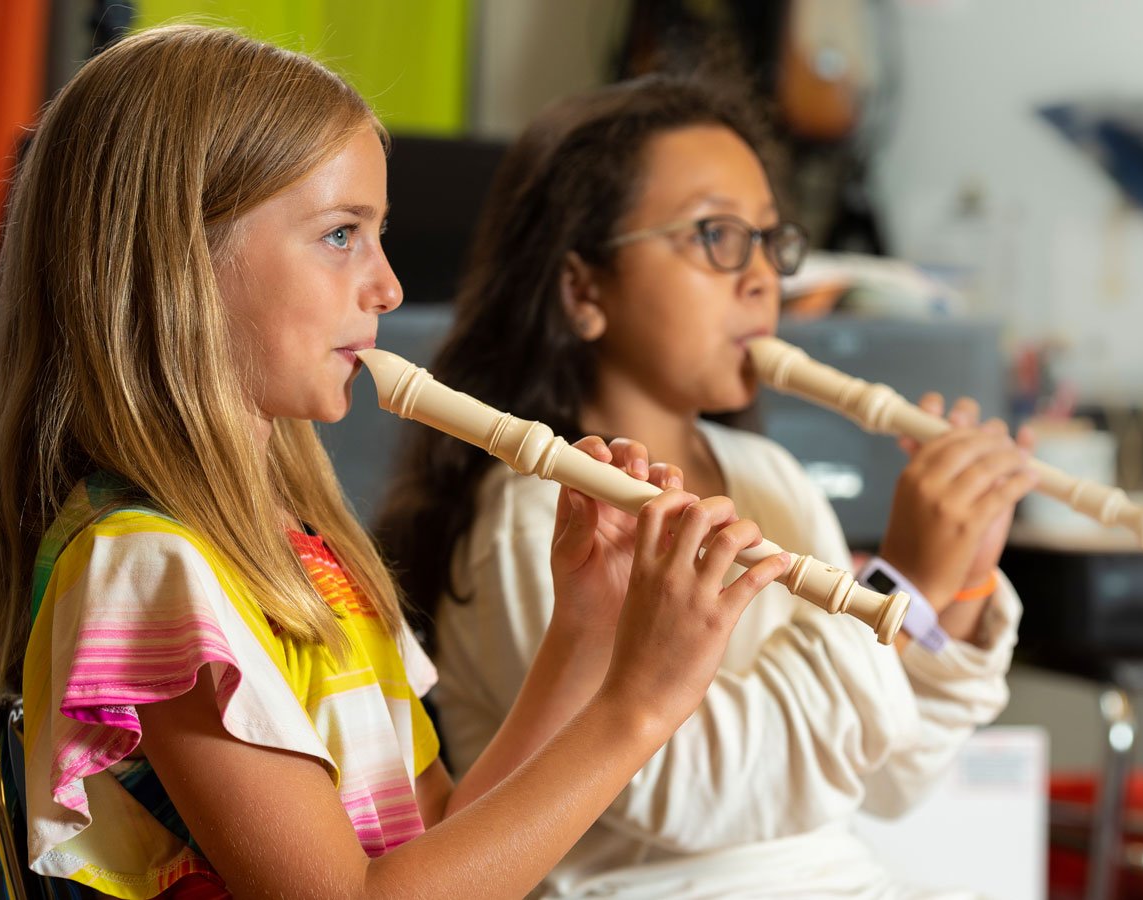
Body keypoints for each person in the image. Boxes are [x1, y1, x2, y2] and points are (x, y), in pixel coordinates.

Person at [0, 26, 786, 899]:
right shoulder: (149, 571)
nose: (388, 286)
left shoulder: (309, 554)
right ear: (181, 261)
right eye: (342, 235)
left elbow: (441, 848)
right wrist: (637, 709)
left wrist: (585, 636)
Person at [380, 75, 1037, 899]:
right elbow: (691, 798)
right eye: (716, 236)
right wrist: (905, 585)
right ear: (585, 290)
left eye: (769, 240)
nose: (763, 277)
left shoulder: (771, 477)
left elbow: (888, 778)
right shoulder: (549, 521)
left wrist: (960, 580)